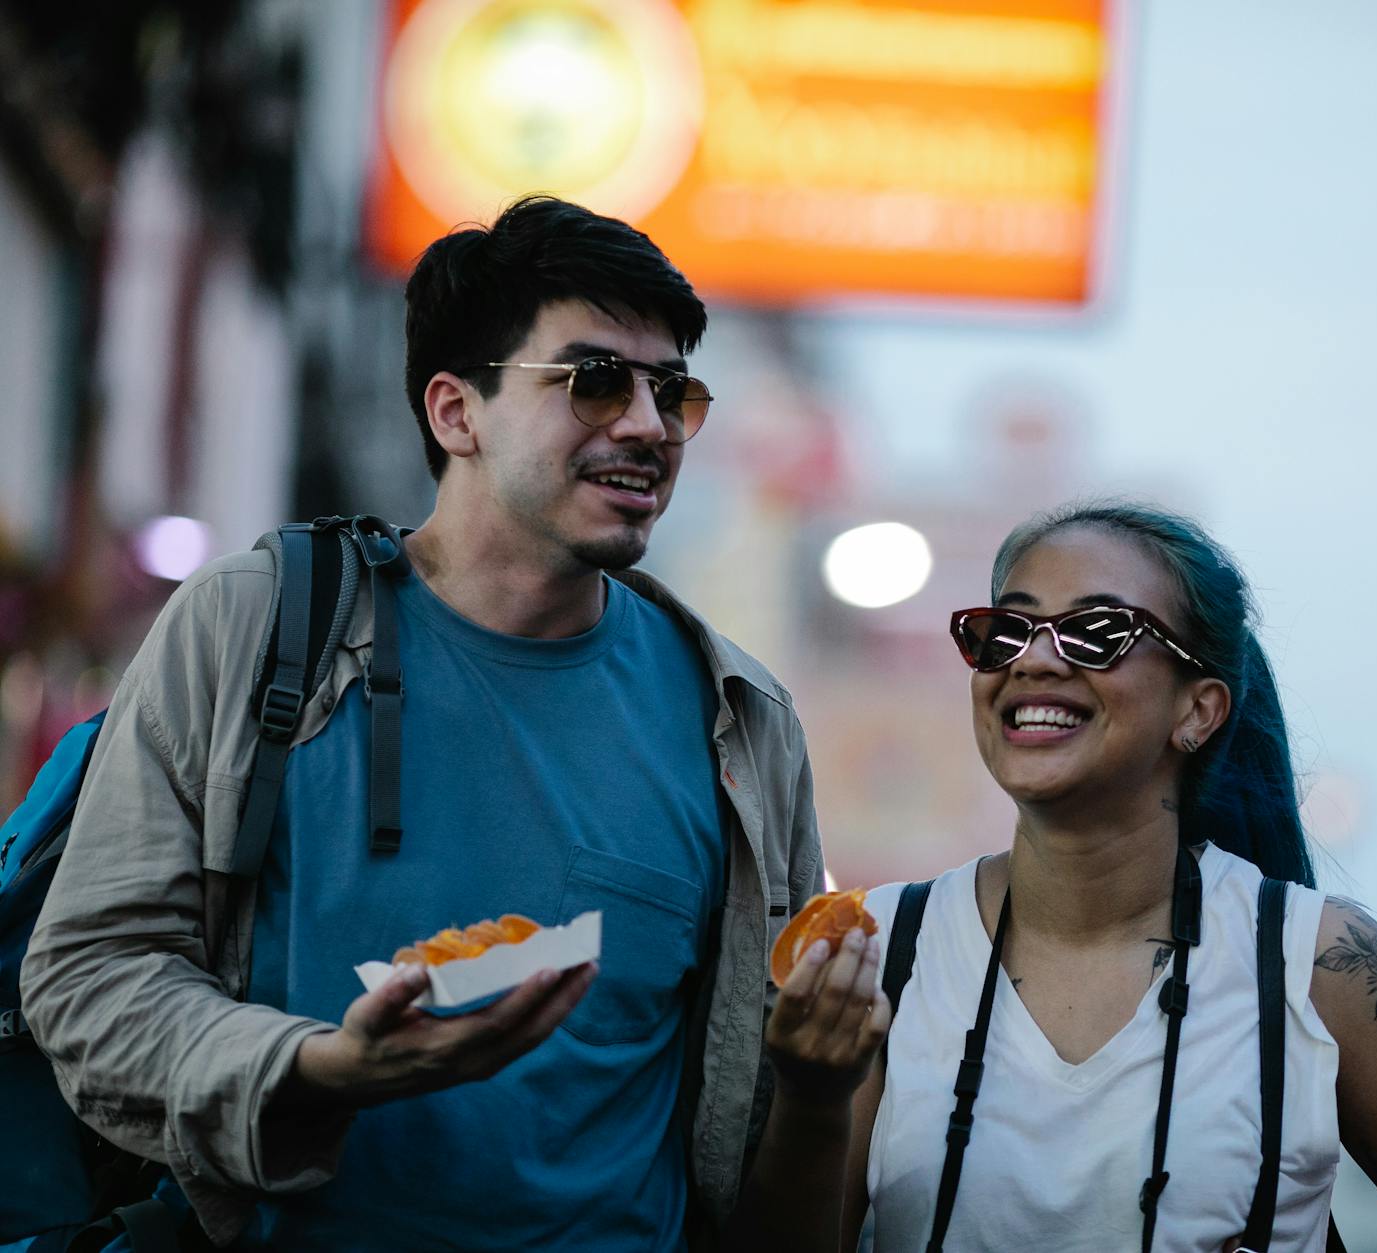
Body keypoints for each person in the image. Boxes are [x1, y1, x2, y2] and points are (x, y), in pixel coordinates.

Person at [22, 196, 828, 1250]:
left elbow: (758, 1084)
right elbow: (89, 973)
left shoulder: (738, 721)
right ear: (457, 413)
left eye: (671, 390)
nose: (645, 423)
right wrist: (314, 1070)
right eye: (594, 380)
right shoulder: (257, 624)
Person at [757, 500, 1377, 1251]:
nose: (1032, 659)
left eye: (1097, 631)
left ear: (1198, 710)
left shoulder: (1321, 965)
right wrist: (811, 1095)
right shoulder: (882, 947)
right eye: (1007, 630)